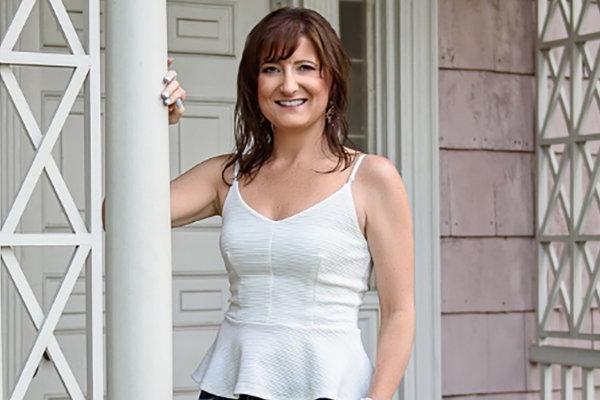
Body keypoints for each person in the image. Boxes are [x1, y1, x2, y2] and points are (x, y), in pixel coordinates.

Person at [160, 7, 415, 400]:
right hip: (230, 385)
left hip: (330, 387)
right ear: (254, 83)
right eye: (272, 68)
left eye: (306, 67)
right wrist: (151, 121)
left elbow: (399, 312)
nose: (288, 84)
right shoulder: (227, 176)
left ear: (331, 80)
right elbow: (120, 214)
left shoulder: (371, 178)